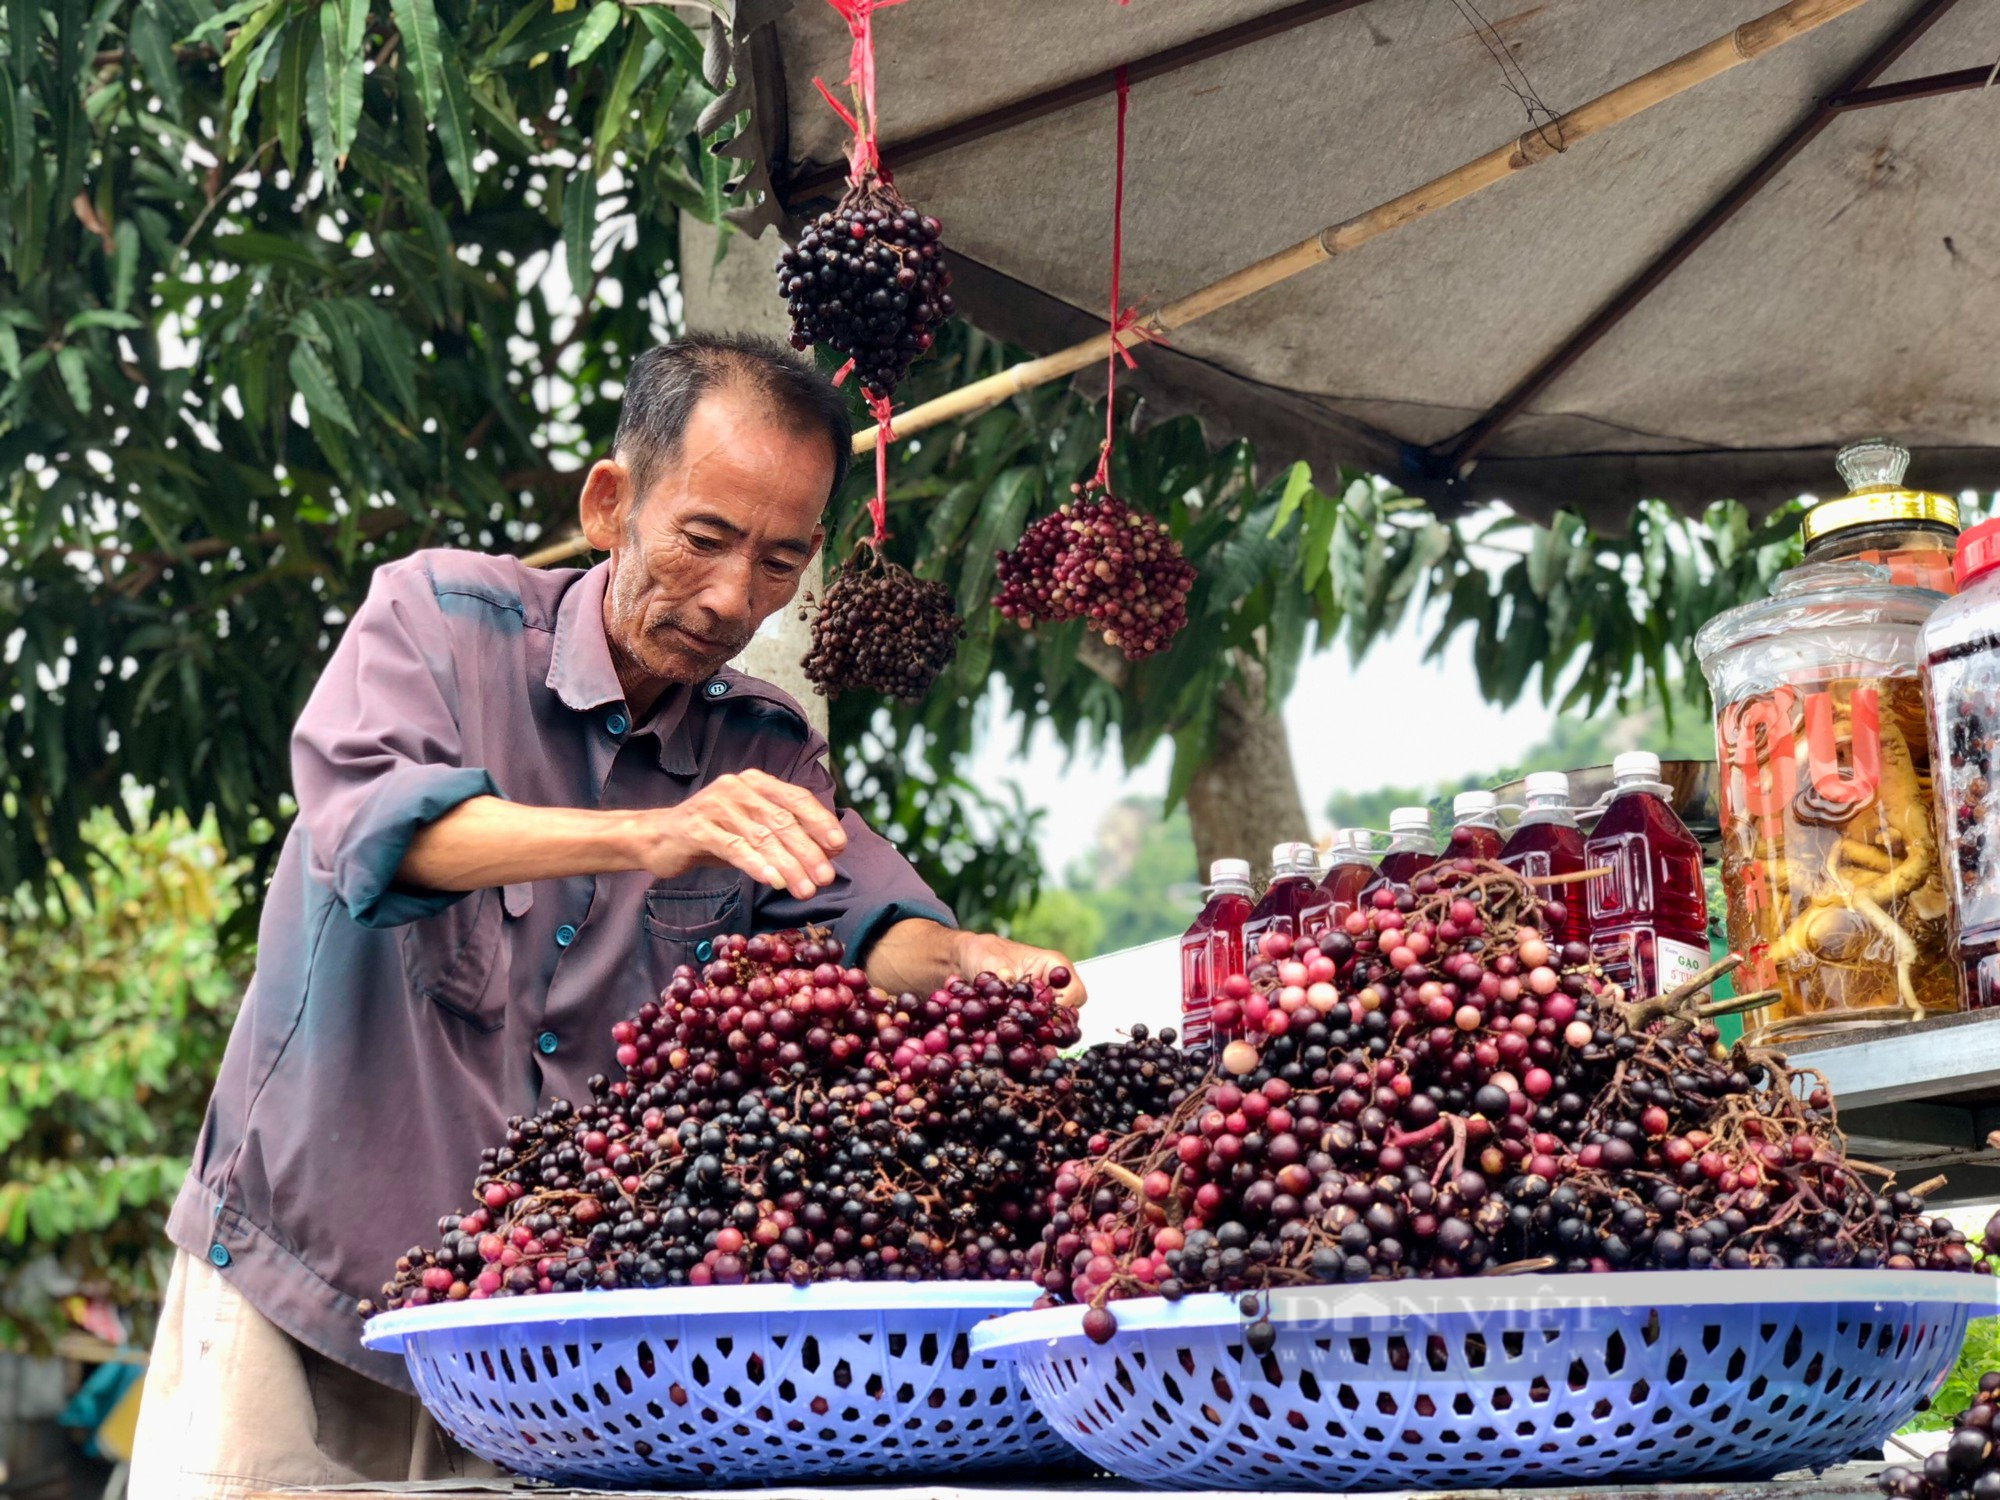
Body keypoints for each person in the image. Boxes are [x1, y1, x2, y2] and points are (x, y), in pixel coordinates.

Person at [130, 333, 1084, 1499]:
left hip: (547, 1352)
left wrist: (973, 963)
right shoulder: (436, 623)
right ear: (608, 504)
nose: (735, 598)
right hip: (304, 1293)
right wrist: (653, 835)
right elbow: (384, 835)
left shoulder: (764, 749)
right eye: (705, 539)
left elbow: (858, 928)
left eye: (781, 562)